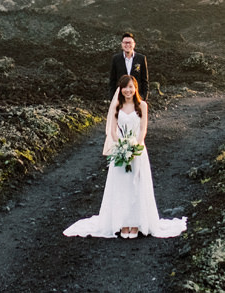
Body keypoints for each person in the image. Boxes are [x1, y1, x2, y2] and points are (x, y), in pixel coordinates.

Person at [63, 75, 186, 239]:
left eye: (131, 87)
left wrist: (136, 145)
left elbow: (143, 129)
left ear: (135, 88)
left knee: (136, 185)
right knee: (121, 186)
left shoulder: (142, 105)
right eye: (124, 87)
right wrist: (121, 146)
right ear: (120, 89)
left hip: (138, 150)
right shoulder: (117, 107)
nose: (128, 90)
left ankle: (136, 223)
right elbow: (113, 131)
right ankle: (122, 223)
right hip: (120, 150)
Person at [108, 32, 148, 100]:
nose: (127, 45)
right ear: (122, 44)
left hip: (137, 97)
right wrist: (112, 98)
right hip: (120, 98)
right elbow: (112, 80)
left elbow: (144, 80)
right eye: (125, 43)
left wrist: (144, 97)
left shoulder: (141, 58)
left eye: (129, 42)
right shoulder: (116, 59)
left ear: (134, 44)